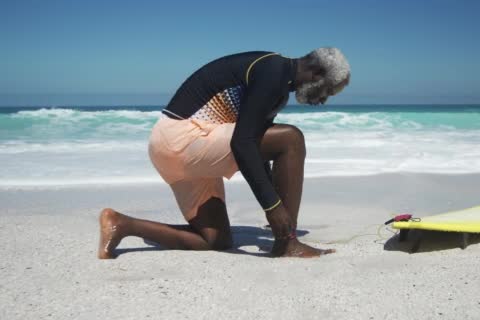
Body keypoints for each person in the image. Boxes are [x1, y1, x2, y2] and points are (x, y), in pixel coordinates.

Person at [98, 47, 350, 258]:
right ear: (317, 72)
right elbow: (243, 143)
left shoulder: (275, 77)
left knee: (215, 240)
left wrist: (273, 201)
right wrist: (273, 206)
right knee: (291, 139)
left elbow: (254, 144)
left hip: (169, 146)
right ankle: (288, 244)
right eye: (328, 89)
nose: (323, 99)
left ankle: (121, 224)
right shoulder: (273, 71)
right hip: (185, 138)